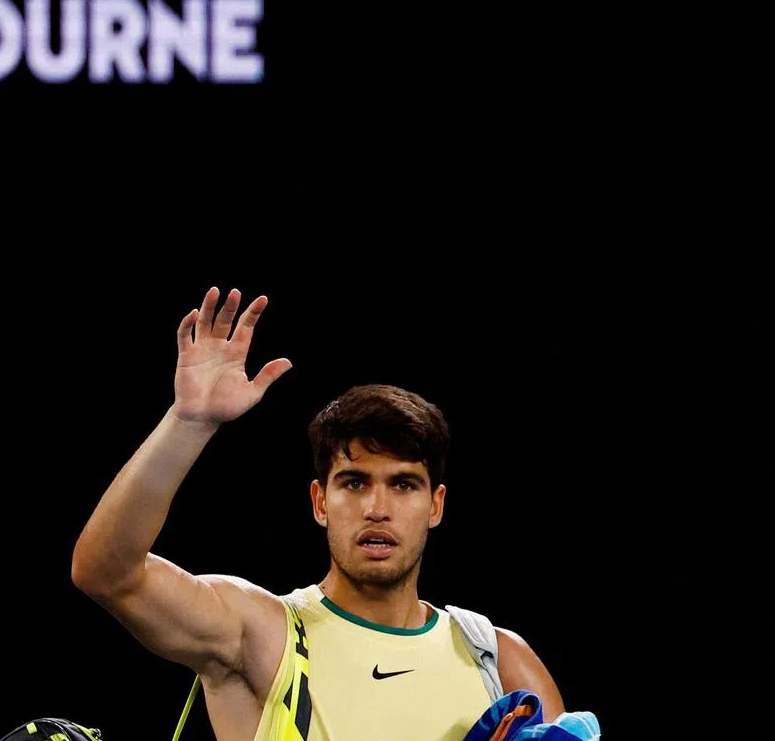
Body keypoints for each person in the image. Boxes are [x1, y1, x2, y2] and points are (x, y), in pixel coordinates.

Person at [71, 286, 567, 741]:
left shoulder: (501, 661)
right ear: (320, 502)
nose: (377, 508)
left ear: (435, 505)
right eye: (354, 483)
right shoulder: (261, 635)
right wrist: (189, 422)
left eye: (403, 485)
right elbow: (108, 574)